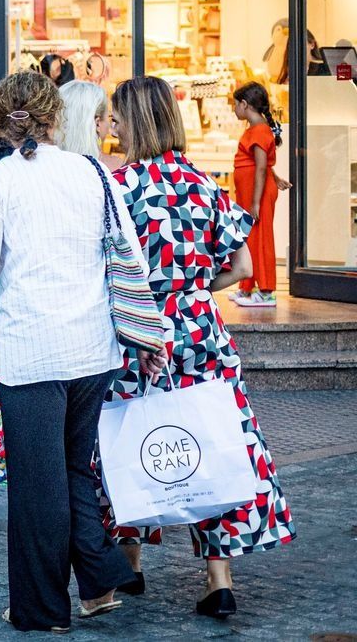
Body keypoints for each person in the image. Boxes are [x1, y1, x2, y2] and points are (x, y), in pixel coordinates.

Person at [0, 70, 141, 633]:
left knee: (36, 485)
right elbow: (129, 255)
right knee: (72, 470)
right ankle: (99, 571)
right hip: (93, 348)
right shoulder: (93, 170)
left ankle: (43, 609)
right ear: (55, 117)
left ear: (0, 119)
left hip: (31, 351)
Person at [108, 76, 295, 620]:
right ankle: (220, 579)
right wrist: (190, 290)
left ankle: (131, 563)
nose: (113, 127)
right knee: (208, 436)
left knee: (135, 436)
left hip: (137, 331)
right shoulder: (202, 184)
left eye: (118, 118)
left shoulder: (118, 188)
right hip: (198, 328)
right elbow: (242, 267)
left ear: (135, 123)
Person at [231, 82, 288, 307]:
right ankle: (247, 286)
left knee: (262, 239)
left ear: (245, 105)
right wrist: (276, 178)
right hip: (253, 193)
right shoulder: (257, 130)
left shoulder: (260, 131)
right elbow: (261, 165)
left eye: (235, 105)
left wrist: (255, 202)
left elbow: (261, 167)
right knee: (251, 238)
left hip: (258, 195)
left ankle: (266, 290)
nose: (234, 109)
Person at [58, 79, 123, 170]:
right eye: (109, 117)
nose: (110, 125)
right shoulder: (116, 168)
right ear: (97, 124)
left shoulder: (47, 164)